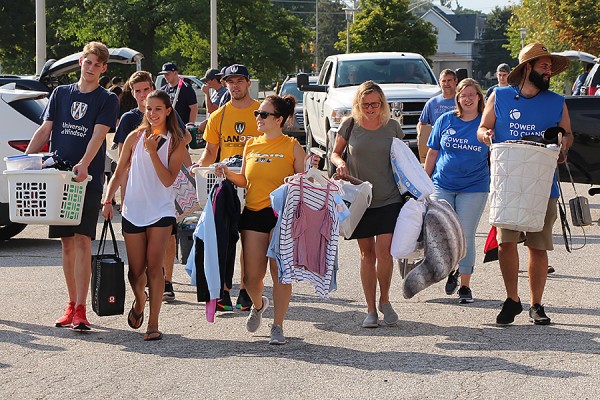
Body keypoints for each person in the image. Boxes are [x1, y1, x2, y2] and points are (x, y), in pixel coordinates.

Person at [25, 41, 119, 331]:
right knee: (66, 243)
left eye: (97, 65)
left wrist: (85, 164)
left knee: (82, 240)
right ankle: (70, 304)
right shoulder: (60, 94)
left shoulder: (107, 99)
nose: (91, 68)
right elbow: (45, 129)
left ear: (104, 69)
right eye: (88, 62)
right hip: (60, 177)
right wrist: (26, 160)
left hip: (86, 179)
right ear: (81, 61)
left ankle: (81, 308)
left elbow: (98, 136)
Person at [478, 43, 573, 326]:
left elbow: (567, 135)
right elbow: (482, 128)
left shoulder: (557, 101)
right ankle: (512, 299)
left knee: (537, 246)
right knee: (507, 243)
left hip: (543, 185)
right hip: (509, 183)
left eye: (550, 68)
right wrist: (486, 136)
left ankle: (537, 304)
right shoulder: (500, 96)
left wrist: (562, 145)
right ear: (527, 67)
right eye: (544, 66)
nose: (548, 72)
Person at [215, 95, 319, 345]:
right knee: (251, 278)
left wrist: (310, 167)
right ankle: (259, 305)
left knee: (279, 273)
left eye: (263, 114)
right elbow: (245, 180)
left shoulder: (291, 145)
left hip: (282, 215)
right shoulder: (250, 144)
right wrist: (227, 173)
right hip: (253, 213)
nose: (258, 118)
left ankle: (278, 325)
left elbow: (306, 179)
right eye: (257, 114)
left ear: (279, 120)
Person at [102, 90, 188, 341]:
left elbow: (168, 179)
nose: (152, 113)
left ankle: (153, 322)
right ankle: (140, 300)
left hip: (161, 211)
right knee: (135, 271)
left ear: (168, 111)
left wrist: (152, 152)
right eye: (148, 109)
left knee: (154, 268)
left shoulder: (176, 140)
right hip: (134, 210)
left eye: (158, 109)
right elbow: (119, 173)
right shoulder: (134, 136)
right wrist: (109, 199)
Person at [330, 81, 404, 328]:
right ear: (358, 104)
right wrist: (340, 163)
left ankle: (385, 301)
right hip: (360, 199)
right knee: (366, 254)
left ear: (382, 103)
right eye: (365, 104)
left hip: (388, 197)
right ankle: (370, 308)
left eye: (375, 103)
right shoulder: (349, 124)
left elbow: (402, 159)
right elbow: (335, 152)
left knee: (385, 252)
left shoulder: (392, 126)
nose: (371, 108)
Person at [113, 70, 191, 302]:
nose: (142, 95)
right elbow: (123, 163)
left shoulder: (168, 116)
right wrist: (118, 196)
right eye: (137, 92)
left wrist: (188, 171)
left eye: (146, 90)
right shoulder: (130, 122)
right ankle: (141, 296)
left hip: (164, 200)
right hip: (136, 200)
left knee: (167, 241)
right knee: (136, 268)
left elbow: (184, 141)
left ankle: (165, 281)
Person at [198, 64, 261, 311]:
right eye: (230, 82)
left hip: (256, 182)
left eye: (239, 81)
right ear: (225, 85)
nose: (235, 86)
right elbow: (211, 151)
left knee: (251, 238)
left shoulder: (261, 112)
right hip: (227, 185)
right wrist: (198, 168)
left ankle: (246, 289)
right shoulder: (219, 116)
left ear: (248, 83)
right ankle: (224, 289)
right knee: (225, 237)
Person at [424, 78, 490, 304]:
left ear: (479, 98)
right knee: (443, 231)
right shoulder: (445, 120)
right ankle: (450, 268)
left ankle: (465, 285)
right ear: (457, 98)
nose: (468, 99)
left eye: (473, 95)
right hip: (442, 184)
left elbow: (495, 156)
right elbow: (432, 153)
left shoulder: (485, 124)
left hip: (474, 187)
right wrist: (424, 182)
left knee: (465, 234)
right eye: (464, 95)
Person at [416, 69, 458, 163]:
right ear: (439, 83)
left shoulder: (461, 100)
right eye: (443, 81)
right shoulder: (432, 102)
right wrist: (421, 134)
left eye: (449, 80)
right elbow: (421, 123)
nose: (446, 83)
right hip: (437, 145)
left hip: (457, 143)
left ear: (456, 81)